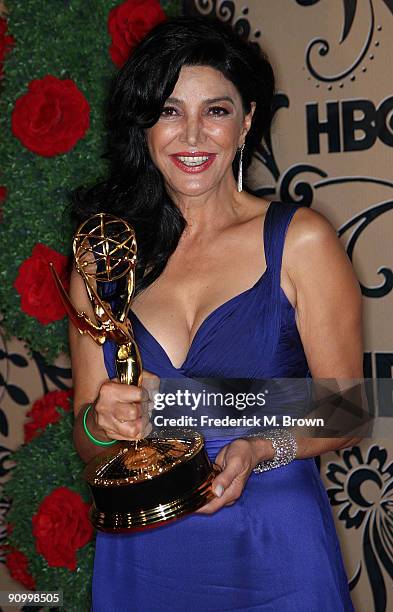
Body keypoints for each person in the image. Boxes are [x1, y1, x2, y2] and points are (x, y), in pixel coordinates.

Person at [70, 16, 363, 612]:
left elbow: (347, 408)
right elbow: (89, 440)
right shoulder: (102, 261)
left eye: (217, 111)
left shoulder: (300, 241)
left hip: (274, 546)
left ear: (247, 120)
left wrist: (258, 448)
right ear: (145, 125)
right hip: (143, 552)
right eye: (171, 111)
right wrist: (104, 424)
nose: (193, 136)